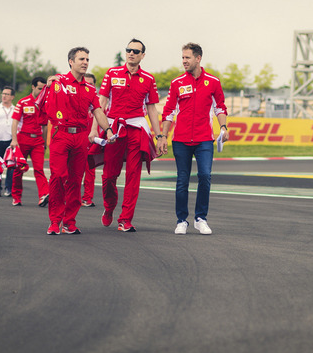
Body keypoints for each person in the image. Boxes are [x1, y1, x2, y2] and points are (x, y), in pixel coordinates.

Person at [95, 38, 164, 232]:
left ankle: (125, 219)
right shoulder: (112, 73)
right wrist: (95, 129)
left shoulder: (149, 79)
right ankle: (109, 208)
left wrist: (158, 137)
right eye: (128, 50)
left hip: (136, 129)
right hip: (114, 129)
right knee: (109, 176)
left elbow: (151, 109)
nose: (131, 53)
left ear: (142, 55)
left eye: (135, 51)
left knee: (133, 176)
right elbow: (100, 104)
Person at [43, 46, 113, 235]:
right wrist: (50, 84)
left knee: (75, 180)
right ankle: (54, 220)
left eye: (87, 59)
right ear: (71, 62)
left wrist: (107, 129)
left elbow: (98, 110)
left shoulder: (90, 89)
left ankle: (69, 221)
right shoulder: (59, 81)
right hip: (62, 134)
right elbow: (46, 102)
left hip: (81, 137)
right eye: (81, 59)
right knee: (58, 177)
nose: (85, 62)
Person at [161, 42, 228, 235]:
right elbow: (169, 112)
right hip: (180, 140)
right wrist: (163, 136)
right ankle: (181, 220)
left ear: (198, 58)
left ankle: (201, 218)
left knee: (205, 176)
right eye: (182, 57)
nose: (184, 61)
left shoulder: (213, 82)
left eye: (187, 57)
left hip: (204, 139)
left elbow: (220, 108)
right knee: (182, 180)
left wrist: (223, 127)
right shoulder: (177, 83)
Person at [10, 76, 50, 207]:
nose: (41, 91)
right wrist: (14, 140)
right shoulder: (23, 102)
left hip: (38, 140)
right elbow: (15, 122)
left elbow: (45, 126)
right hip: (22, 139)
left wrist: (44, 143)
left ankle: (44, 195)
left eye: (44, 88)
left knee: (39, 169)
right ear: (33, 87)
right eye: (39, 88)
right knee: (18, 169)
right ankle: (16, 196)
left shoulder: (45, 103)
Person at [81, 72, 98, 207]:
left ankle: (87, 197)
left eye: (91, 84)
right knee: (72, 171)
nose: (88, 86)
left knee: (90, 171)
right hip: (77, 140)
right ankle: (69, 196)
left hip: (92, 141)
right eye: (85, 83)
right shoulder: (75, 99)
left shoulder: (98, 102)